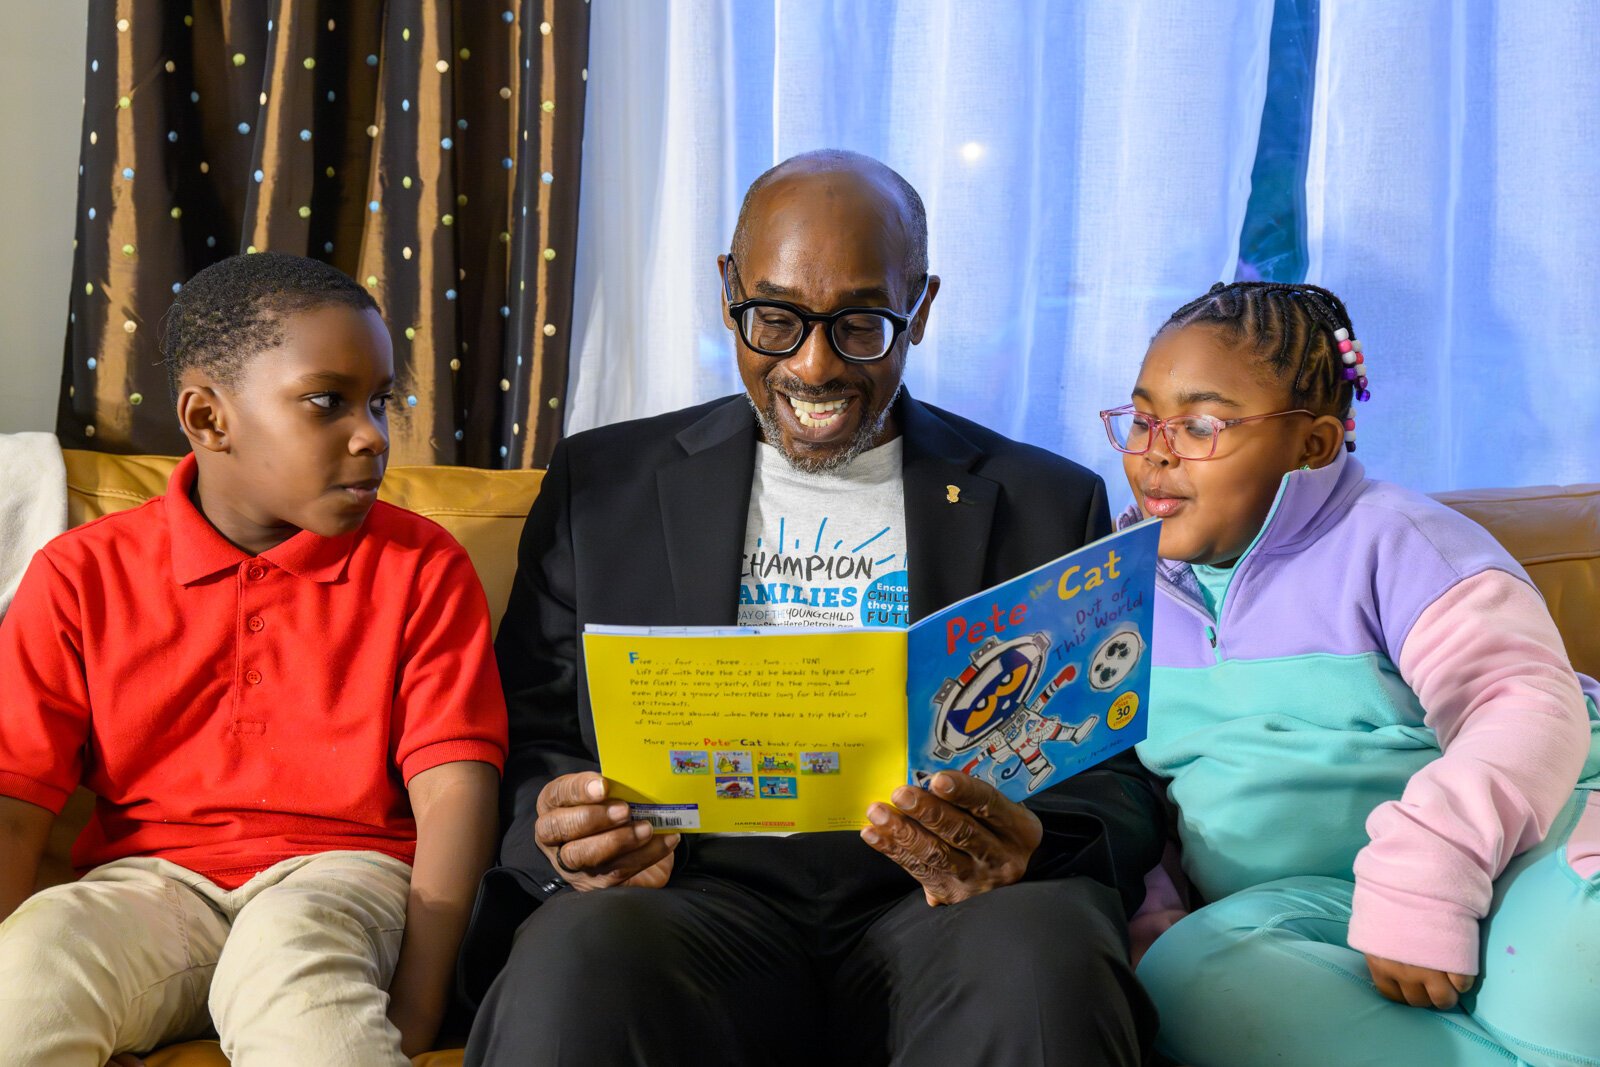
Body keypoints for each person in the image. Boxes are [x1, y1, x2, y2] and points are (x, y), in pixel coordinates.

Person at [463, 150, 1163, 1066]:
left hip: (941, 907)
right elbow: (535, 733)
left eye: (863, 323)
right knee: (574, 957)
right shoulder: (604, 485)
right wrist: (562, 830)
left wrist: (1030, 842)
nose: (816, 365)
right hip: (686, 900)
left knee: (1044, 956)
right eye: (778, 319)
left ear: (923, 304)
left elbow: (1111, 769)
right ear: (728, 291)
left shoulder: (1045, 499)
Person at [0, 252, 509, 1065]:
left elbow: (455, 791)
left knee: (287, 953)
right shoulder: (79, 574)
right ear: (208, 420)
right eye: (327, 402)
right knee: (36, 955)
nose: (372, 435)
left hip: (347, 879)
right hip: (148, 884)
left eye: (380, 401)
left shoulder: (424, 566)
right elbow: (15, 801)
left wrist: (418, 1006)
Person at [1105, 280, 1600, 1066]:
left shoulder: (1400, 542)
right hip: (1298, 908)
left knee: (1570, 967)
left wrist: (1428, 881)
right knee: (1183, 978)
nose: (1154, 451)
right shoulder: (1110, 594)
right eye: (1140, 418)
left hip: (1515, 857)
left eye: (1200, 423)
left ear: (1315, 444)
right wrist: (1154, 914)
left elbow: (1525, 705)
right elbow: (1135, 793)